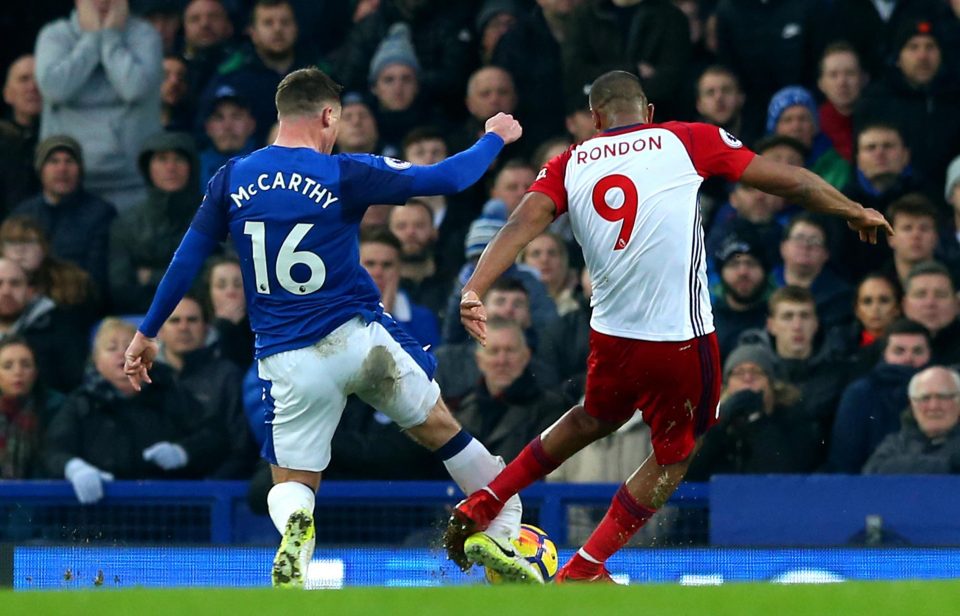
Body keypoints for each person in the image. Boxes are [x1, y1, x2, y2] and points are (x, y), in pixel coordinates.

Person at [443, 70, 892, 582]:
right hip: (681, 338)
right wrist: (852, 209)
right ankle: (586, 567)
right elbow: (784, 177)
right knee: (678, 452)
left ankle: (487, 498)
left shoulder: (569, 162)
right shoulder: (685, 139)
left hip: (612, 337)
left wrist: (474, 286)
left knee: (591, 417)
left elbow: (521, 221)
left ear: (595, 119)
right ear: (648, 112)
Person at [121, 67, 542, 587]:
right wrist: (494, 137)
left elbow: (187, 259)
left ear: (280, 116)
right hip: (357, 334)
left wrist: (147, 331)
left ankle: (299, 524)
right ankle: (499, 527)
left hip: (290, 357)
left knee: (292, 481)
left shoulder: (232, 177)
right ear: (327, 116)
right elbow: (449, 179)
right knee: (442, 429)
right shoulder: (344, 171)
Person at [35, 0, 163, 211]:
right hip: (68, 184)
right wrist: (92, 39)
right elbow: (54, 88)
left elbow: (135, 88)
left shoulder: (145, 35)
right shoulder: (55, 35)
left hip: (132, 185)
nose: (103, 1)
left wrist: (110, 37)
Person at [863, 365, 960, 475]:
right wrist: (949, 465)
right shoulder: (895, 444)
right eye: (924, 398)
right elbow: (874, 472)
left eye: (943, 397)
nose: (933, 406)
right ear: (912, 405)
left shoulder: (896, 451)